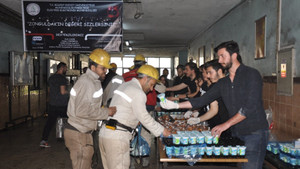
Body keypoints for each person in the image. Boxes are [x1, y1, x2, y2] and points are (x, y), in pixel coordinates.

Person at [160, 41, 269, 169]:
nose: (220, 60)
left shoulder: (251, 74)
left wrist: (225, 124)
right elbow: (202, 100)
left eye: (222, 56)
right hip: (236, 132)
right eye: (219, 57)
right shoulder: (224, 82)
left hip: (254, 131)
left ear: (234, 55)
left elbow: (250, 106)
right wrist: (175, 106)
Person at [99, 65, 171, 169]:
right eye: (151, 85)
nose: (151, 89)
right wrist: (162, 131)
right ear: (146, 79)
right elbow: (144, 117)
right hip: (117, 139)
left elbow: (125, 108)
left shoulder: (125, 85)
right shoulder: (138, 93)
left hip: (106, 134)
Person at [64, 49, 117, 169]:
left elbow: (89, 106)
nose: (105, 71)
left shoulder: (93, 81)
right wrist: (106, 112)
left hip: (83, 132)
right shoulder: (87, 82)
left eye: (106, 69)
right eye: (103, 68)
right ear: (93, 68)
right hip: (78, 133)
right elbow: (82, 111)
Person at [187, 60, 231, 138]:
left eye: (210, 72)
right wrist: (198, 119)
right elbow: (213, 109)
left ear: (220, 71)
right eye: (206, 73)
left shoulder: (230, 85)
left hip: (231, 126)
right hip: (217, 124)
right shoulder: (213, 86)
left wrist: (176, 105)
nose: (207, 76)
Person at [40, 62, 69, 148]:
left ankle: (43, 140)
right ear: (62, 68)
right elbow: (63, 92)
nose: (66, 70)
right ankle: (69, 142)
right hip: (62, 105)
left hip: (52, 104)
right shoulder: (62, 79)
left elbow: (49, 91)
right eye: (66, 68)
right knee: (68, 122)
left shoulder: (51, 78)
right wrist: (70, 91)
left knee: (49, 123)